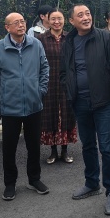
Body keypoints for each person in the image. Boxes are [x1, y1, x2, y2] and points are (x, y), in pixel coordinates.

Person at [60, 4, 110, 216]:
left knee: (107, 147)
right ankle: (91, 183)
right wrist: (69, 90)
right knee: (87, 144)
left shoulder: (104, 37)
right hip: (80, 102)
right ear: (72, 21)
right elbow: (64, 71)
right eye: (80, 15)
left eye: (87, 13)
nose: (86, 17)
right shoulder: (69, 41)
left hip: (103, 102)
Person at [0, 13, 50, 201]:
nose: (21, 25)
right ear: (7, 27)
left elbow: (44, 68)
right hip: (10, 107)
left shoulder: (35, 44)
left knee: (34, 146)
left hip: (33, 105)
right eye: (16, 23)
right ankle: (10, 183)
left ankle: (34, 179)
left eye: (22, 21)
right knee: (9, 148)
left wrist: (40, 91)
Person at [38, 9, 77, 164]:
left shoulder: (71, 38)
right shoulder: (41, 39)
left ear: (64, 20)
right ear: (47, 20)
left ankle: (65, 150)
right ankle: (53, 151)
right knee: (50, 115)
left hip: (67, 83)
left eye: (59, 18)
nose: (56, 22)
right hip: (49, 82)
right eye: (53, 19)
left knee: (67, 115)